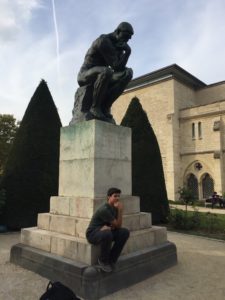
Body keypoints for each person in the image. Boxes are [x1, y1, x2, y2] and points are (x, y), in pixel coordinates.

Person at [72, 22, 134, 124]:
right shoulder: (103, 41)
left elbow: (120, 69)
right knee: (106, 71)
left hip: (103, 74)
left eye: (129, 38)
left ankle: (105, 107)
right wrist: (127, 52)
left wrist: (125, 53)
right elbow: (116, 65)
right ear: (118, 31)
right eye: (126, 36)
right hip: (85, 75)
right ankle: (95, 108)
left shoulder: (118, 46)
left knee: (127, 73)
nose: (127, 40)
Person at [86, 187, 130, 272]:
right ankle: (103, 260)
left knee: (124, 232)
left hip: (105, 232)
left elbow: (118, 226)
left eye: (118, 196)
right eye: (115, 196)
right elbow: (117, 225)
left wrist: (118, 212)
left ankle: (112, 260)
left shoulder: (114, 208)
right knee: (107, 233)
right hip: (93, 234)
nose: (117, 198)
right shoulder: (104, 209)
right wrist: (120, 210)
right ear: (108, 197)